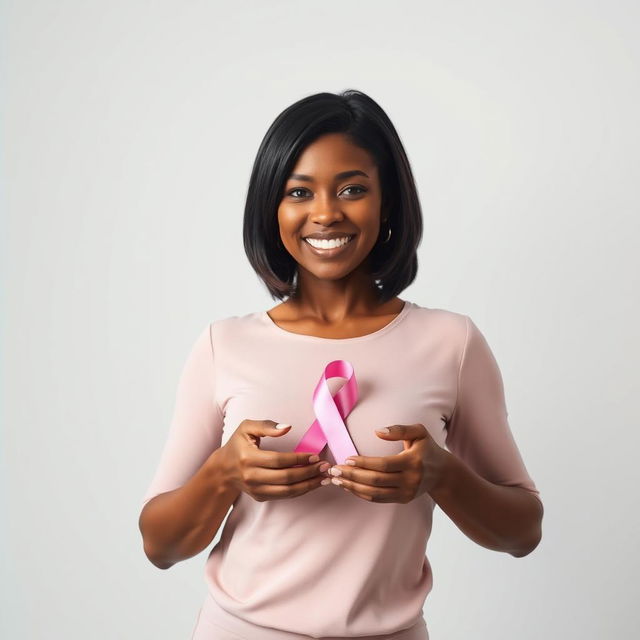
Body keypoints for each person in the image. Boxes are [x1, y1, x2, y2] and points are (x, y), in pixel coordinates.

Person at [138, 89, 544, 640]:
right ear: (271, 209)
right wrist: (223, 474)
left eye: (352, 189)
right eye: (298, 191)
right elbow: (159, 546)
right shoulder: (222, 345)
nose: (325, 212)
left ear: (388, 204)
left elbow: (523, 532)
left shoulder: (452, 343)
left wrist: (443, 476)